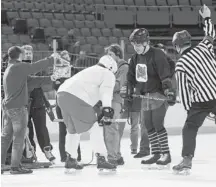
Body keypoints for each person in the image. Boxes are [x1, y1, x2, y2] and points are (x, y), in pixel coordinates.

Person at [1, 46, 59, 174]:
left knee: (6, 137)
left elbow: (31, 81)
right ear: (20, 55)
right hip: (18, 109)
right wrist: (51, 59)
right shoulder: (19, 67)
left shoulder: (10, 68)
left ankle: (1, 164)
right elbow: (35, 67)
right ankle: (15, 167)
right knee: (18, 138)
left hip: (9, 108)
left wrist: (50, 78)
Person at [172, 5, 216, 174]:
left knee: (189, 128)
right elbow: (211, 34)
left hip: (201, 101)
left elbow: (184, 93)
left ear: (177, 46)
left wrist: (190, 112)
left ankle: (186, 160)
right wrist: (206, 17)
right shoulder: (204, 47)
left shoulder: (181, 64)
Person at [56, 55, 118, 172]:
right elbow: (106, 92)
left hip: (61, 94)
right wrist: (107, 110)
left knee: (72, 130)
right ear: (111, 68)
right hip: (76, 97)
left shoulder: (91, 70)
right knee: (93, 127)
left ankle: (71, 158)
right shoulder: (108, 73)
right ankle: (101, 158)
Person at [125, 28, 176, 168]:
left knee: (157, 124)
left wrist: (169, 91)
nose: (136, 47)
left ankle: (166, 154)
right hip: (145, 96)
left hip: (158, 95)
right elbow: (130, 77)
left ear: (147, 43)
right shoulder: (135, 58)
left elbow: (165, 75)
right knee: (148, 125)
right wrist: (129, 90)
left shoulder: (157, 54)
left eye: (138, 44)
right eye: (134, 44)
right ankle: (156, 153)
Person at [21, 45, 55, 163]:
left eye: (30, 53)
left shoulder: (38, 68)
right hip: (25, 104)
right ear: (22, 55)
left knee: (42, 128)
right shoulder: (20, 68)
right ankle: (30, 152)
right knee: (27, 129)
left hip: (38, 102)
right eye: (26, 53)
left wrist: (47, 104)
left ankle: (47, 150)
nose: (29, 55)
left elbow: (41, 86)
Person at [53, 50, 81, 162]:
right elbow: (55, 86)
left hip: (73, 102)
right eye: (63, 57)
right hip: (61, 103)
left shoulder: (75, 71)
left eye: (67, 56)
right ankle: (64, 156)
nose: (65, 59)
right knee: (62, 130)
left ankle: (76, 155)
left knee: (74, 129)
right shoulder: (57, 71)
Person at [102, 44, 129, 166]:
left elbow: (118, 85)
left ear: (118, 55)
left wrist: (103, 85)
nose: (109, 57)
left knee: (110, 127)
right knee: (111, 127)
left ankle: (112, 156)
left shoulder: (124, 67)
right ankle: (116, 155)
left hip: (115, 99)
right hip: (109, 98)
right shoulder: (110, 66)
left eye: (111, 54)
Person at [119, 59, 150, 159]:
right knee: (125, 125)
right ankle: (129, 147)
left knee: (132, 126)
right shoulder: (132, 71)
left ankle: (133, 148)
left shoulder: (139, 72)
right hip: (127, 101)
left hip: (134, 101)